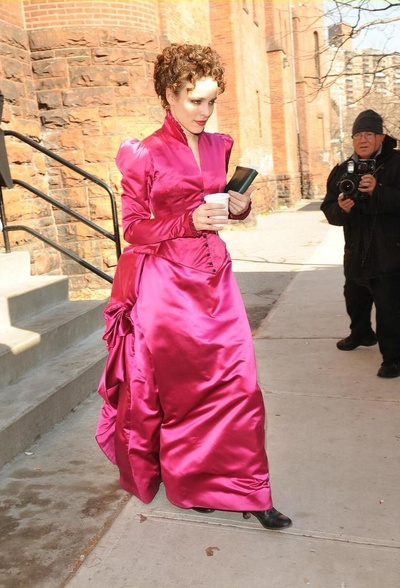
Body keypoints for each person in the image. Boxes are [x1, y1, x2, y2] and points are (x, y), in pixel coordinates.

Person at [95, 44, 292, 529]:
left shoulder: (219, 145)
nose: (204, 112)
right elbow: (134, 228)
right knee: (187, 396)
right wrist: (186, 221)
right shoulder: (143, 152)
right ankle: (193, 484)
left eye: (211, 101)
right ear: (169, 94)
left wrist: (240, 208)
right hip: (167, 287)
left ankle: (251, 490)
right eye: (194, 100)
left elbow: (217, 204)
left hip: (216, 277)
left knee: (239, 385)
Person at [321, 109, 400, 378]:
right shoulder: (343, 170)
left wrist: (379, 190)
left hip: (390, 253)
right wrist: (341, 209)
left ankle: (393, 359)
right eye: (358, 135)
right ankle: (361, 334)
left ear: (381, 137)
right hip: (356, 251)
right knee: (354, 298)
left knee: (389, 309)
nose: (363, 140)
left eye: (369, 134)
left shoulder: (396, 164)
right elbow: (329, 209)